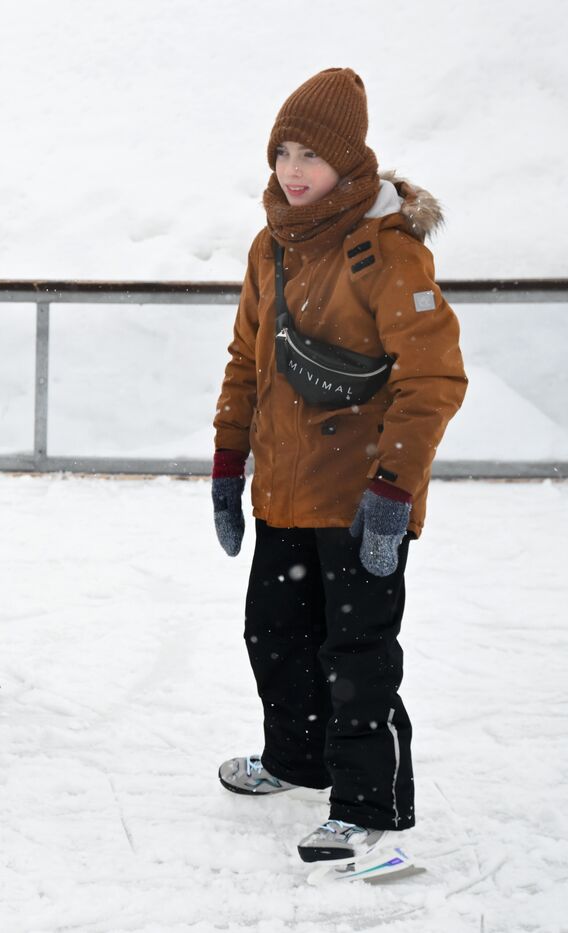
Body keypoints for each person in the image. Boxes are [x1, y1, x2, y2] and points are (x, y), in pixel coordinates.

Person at [210, 68, 467, 869]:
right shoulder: (271, 243)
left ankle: (367, 804)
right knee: (276, 635)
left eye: (310, 155)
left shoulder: (385, 253)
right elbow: (246, 361)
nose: (292, 169)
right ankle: (296, 758)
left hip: (359, 498)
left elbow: (433, 379)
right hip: (283, 492)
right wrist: (228, 461)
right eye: (282, 151)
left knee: (357, 656)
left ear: (349, 162)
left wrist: (392, 493)